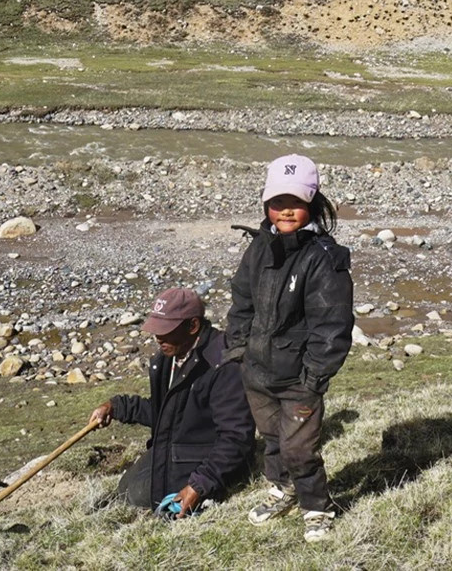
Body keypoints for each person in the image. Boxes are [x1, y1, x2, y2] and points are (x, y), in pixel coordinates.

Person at [225, 154, 354, 543]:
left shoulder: (323, 259)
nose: (285, 211)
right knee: (273, 439)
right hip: (257, 371)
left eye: (295, 203)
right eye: (278, 202)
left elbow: (332, 326)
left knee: (300, 448)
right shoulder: (259, 248)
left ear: (312, 203)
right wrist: (238, 351)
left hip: (300, 380)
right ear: (266, 204)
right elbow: (241, 300)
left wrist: (314, 378)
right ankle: (282, 489)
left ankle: (316, 506)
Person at [88, 287, 256, 518]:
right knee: (126, 489)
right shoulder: (170, 356)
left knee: (137, 497)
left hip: (201, 463)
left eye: (166, 331)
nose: (158, 338)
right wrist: (117, 406)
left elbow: (236, 437)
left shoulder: (222, 365)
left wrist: (199, 485)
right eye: (157, 330)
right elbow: (165, 412)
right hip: (174, 449)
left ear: (192, 326)